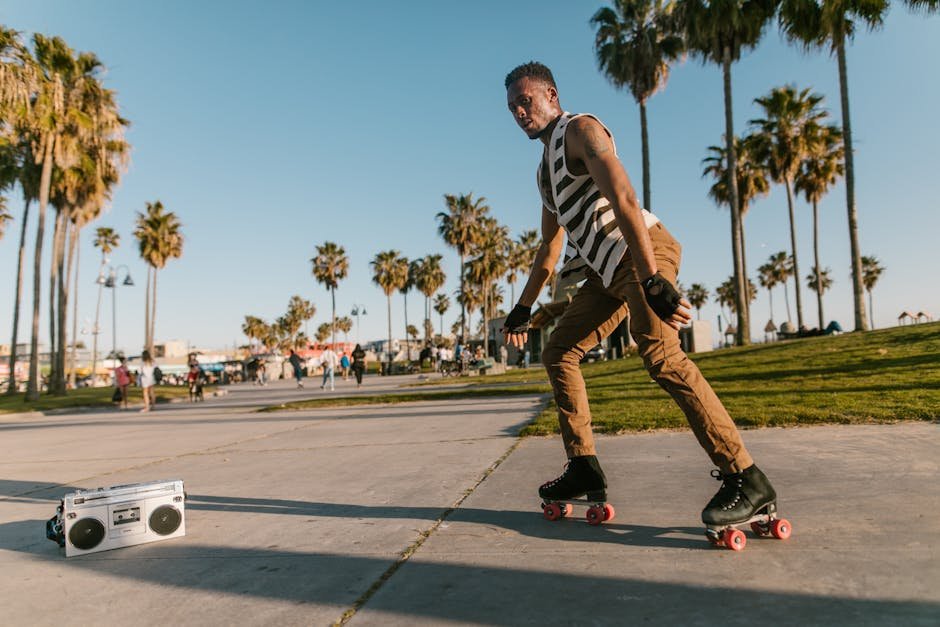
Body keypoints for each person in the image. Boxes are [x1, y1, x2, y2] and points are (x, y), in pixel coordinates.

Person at [502, 62, 778, 531]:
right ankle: (584, 466)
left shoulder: (581, 130)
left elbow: (626, 197)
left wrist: (652, 278)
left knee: (661, 357)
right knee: (558, 352)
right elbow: (549, 247)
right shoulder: (544, 173)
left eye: (525, 101)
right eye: (512, 108)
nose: (519, 113)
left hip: (641, 252)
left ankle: (745, 476)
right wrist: (523, 307)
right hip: (607, 273)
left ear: (550, 94)